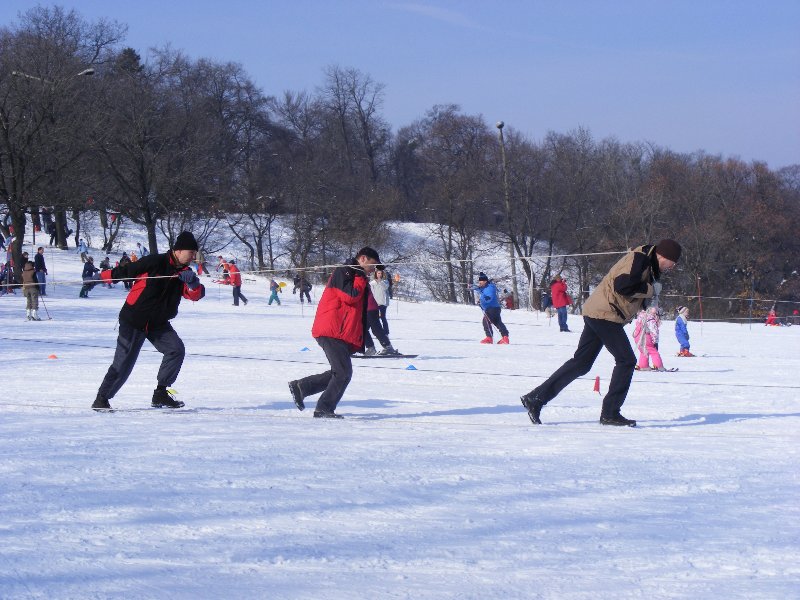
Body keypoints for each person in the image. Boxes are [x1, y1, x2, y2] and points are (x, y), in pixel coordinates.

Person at [520, 239, 682, 427]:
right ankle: (610, 413)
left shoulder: (647, 262)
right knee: (626, 360)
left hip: (599, 311)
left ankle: (535, 398)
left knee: (581, 363)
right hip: (605, 314)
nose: (674, 266)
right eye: (673, 262)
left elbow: (629, 288)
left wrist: (646, 299)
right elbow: (623, 285)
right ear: (664, 256)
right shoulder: (641, 259)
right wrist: (649, 289)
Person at [92, 231, 205, 411]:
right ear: (179, 250)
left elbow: (196, 295)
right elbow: (126, 271)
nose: (193, 257)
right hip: (134, 320)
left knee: (176, 349)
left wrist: (193, 285)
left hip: (158, 324)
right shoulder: (155, 262)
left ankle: (160, 394)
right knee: (123, 363)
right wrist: (99, 278)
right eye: (191, 253)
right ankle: (101, 399)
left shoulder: (185, 273)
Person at [287, 247, 381, 418]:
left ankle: (303, 387)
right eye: (373, 265)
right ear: (363, 258)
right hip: (331, 330)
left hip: (339, 332)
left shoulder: (354, 273)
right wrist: (360, 277)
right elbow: (350, 296)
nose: (373, 270)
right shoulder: (345, 272)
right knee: (343, 372)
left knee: (341, 372)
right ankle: (323, 408)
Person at [362, 277, 398, 356]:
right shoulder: (360, 282)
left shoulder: (361, 282)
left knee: (376, 329)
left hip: (371, 308)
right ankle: (371, 348)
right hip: (368, 308)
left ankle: (388, 347)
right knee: (362, 329)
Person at [474, 272, 510, 344]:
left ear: (485, 281)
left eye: (481, 281)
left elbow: (489, 297)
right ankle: (505, 337)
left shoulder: (490, 288)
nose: (479, 283)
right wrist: (474, 288)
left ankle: (489, 338)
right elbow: (480, 289)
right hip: (495, 308)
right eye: (479, 281)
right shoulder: (486, 287)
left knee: (486, 321)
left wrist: (482, 299)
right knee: (497, 322)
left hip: (491, 308)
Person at [370, 268, 391, 335]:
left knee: (383, 317)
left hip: (383, 302)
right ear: (376, 274)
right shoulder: (372, 283)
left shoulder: (385, 281)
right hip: (375, 303)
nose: (380, 274)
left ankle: (386, 332)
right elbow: (371, 291)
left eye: (381, 273)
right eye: (378, 273)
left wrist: (380, 281)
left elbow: (385, 287)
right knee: (375, 318)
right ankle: (377, 332)